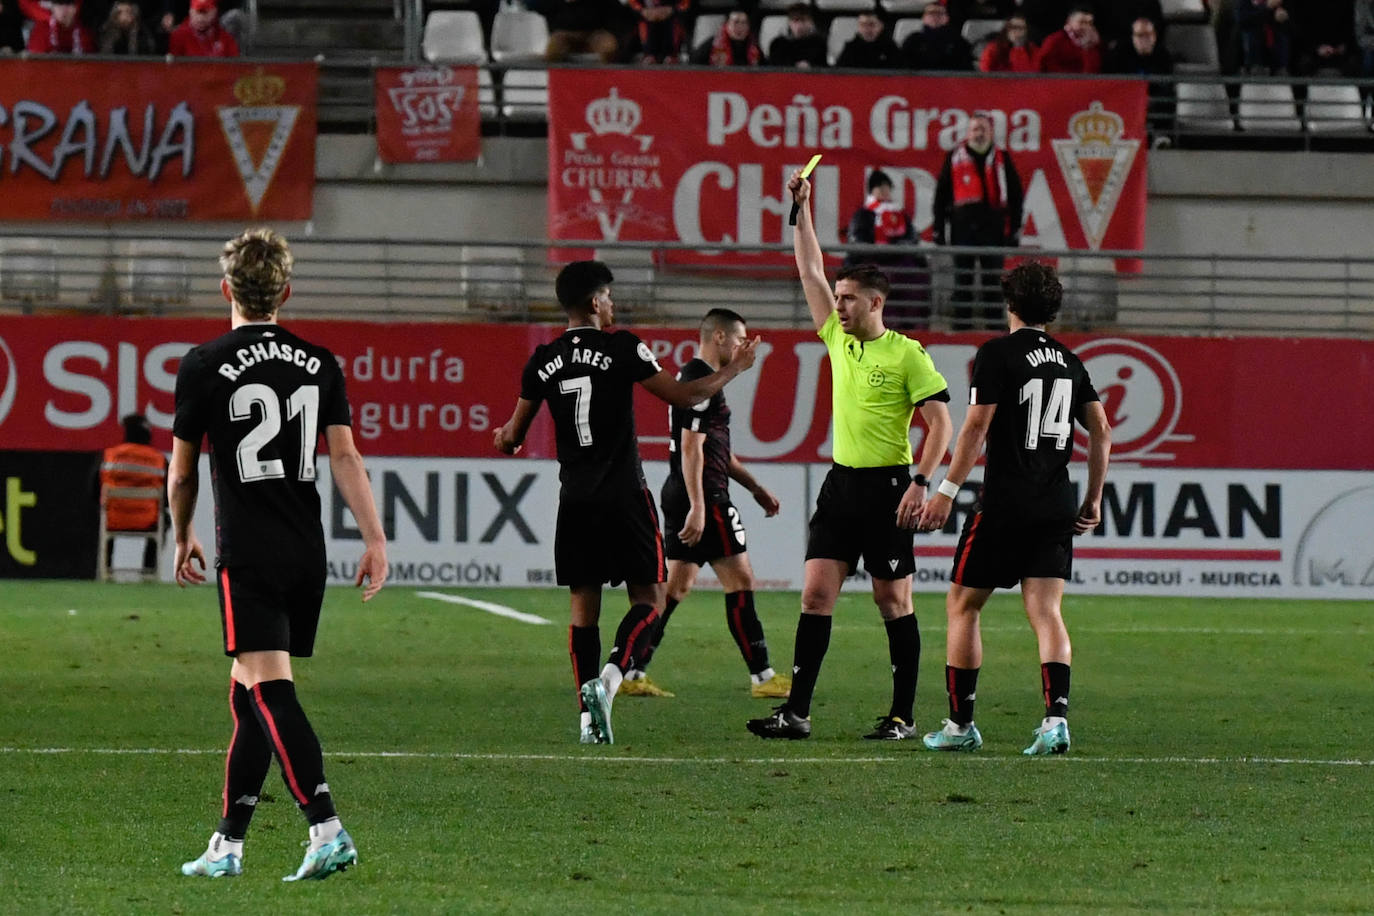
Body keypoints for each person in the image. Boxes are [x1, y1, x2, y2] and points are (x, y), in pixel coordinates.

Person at [171, 229, 388, 881]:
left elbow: (181, 474)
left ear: (225, 289)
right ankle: (227, 845)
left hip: (251, 550)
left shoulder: (203, 362)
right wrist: (374, 537)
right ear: (286, 292)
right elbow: (345, 456)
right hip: (305, 547)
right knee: (247, 693)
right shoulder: (319, 361)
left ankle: (327, 827)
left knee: (270, 690)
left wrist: (182, 535)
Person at [494, 261, 759, 745]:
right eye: (609, 296)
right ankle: (611, 681)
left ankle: (586, 719)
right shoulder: (622, 346)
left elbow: (512, 436)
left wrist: (502, 436)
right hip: (624, 495)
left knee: (583, 609)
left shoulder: (543, 358)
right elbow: (682, 396)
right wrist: (737, 368)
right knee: (650, 600)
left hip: (574, 500)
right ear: (595, 303)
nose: (613, 304)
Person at [746, 168, 953, 742]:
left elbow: (942, 424)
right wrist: (802, 207)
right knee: (815, 593)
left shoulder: (908, 354)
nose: (836, 306)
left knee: (893, 600)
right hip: (840, 486)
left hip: (890, 488)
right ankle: (797, 712)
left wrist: (922, 482)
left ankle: (903, 716)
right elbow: (809, 268)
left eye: (847, 299)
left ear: (875, 303)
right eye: (836, 299)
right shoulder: (837, 337)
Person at [916, 261, 1110, 756]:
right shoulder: (1070, 360)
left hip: (1005, 503)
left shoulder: (997, 354)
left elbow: (976, 427)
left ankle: (960, 727)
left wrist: (945, 489)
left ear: (1010, 304)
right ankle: (1055, 722)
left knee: (963, 605)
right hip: (1054, 503)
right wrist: (1092, 498)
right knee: (1046, 612)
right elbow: (1102, 431)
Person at [618, 308, 790, 700]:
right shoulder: (698, 378)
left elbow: (716, 451)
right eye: (740, 339)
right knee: (741, 580)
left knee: (673, 589)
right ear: (720, 338)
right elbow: (692, 449)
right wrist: (699, 505)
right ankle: (763, 678)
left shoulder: (698, 380)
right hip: (704, 496)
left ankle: (633, 672)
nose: (745, 347)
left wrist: (754, 487)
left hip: (689, 491)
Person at [932, 112, 1025, 331]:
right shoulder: (954, 156)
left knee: (993, 282)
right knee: (962, 281)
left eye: (983, 129)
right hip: (962, 228)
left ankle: (994, 330)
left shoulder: (1002, 158)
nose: (979, 133)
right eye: (975, 129)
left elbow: (1016, 197)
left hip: (993, 228)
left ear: (991, 132)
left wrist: (1014, 231)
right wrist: (939, 229)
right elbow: (941, 196)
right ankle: (961, 328)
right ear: (968, 133)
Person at [845, 168, 928, 329]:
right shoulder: (864, 214)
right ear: (872, 191)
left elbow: (912, 238)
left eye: (886, 188)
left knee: (913, 279)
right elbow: (857, 241)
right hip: (873, 263)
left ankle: (913, 326)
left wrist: (902, 247)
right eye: (880, 188)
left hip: (900, 262)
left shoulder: (900, 215)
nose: (884, 191)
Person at [100, 413, 168, 577]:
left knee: (100, 514)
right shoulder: (159, 460)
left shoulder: (109, 456)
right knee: (165, 518)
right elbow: (167, 498)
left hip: (113, 519)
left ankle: (106, 568)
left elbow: (94, 490)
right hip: (148, 521)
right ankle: (149, 571)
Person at [901, 0, 973, 71]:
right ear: (923, 18)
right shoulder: (913, 41)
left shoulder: (958, 42)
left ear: (947, 18)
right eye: (931, 13)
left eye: (940, 13)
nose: (935, 16)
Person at [544, 0, 620, 62]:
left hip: (595, 34)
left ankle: (605, 77)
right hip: (563, 34)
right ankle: (556, 77)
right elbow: (536, 4)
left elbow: (616, 10)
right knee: (554, 49)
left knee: (608, 47)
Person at [1035, 5, 1101, 73]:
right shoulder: (1055, 40)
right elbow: (1041, 64)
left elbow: (1093, 72)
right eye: (1081, 22)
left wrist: (1088, 49)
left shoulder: (1093, 42)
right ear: (1069, 21)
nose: (1086, 27)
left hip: (1083, 82)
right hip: (1057, 81)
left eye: (1090, 23)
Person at [1234, 0, 1291, 75]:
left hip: (1276, 53)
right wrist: (1266, 7)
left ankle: (1281, 67)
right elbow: (1242, 20)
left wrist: (1283, 17)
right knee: (1251, 32)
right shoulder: (1244, 2)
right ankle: (1254, 66)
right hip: (1252, 53)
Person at [691, 8, 762, 66]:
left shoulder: (754, 46)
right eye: (736, 22)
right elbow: (693, 65)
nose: (740, 27)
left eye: (744, 23)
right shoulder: (713, 44)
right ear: (727, 25)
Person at [167, 0, 238, 56]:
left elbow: (235, 66)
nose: (200, 18)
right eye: (197, 12)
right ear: (190, 12)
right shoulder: (179, 36)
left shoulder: (225, 38)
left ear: (215, 12)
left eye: (205, 13)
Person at [835, 10, 901, 69]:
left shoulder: (890, 48)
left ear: (881, 25)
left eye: (871, 25)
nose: (867, 29)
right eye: (862, 25)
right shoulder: (850, 48)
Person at [22, 0, 95, 53]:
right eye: (59, 4)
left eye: (68, 4)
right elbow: (35, 62)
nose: (64, 10)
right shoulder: (42, 30)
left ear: (75, 8)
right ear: (53, 8)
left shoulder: (83, 33)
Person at [767, 3, 827, 68]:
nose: (800, 25)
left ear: (811, 22)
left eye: (803, 20)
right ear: (789, 22)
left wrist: (811, 67)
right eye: (796, 20)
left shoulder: (818, 44)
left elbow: (823, 68)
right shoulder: (777, 44)